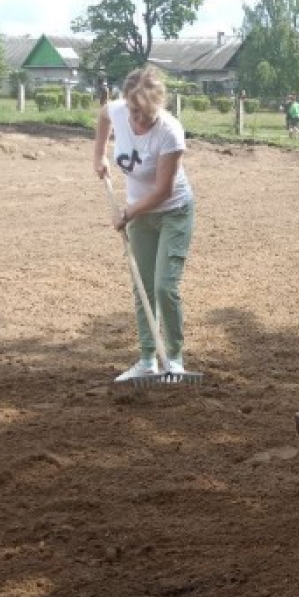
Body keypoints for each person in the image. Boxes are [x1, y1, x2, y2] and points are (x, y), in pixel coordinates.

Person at [93, 65, 196, 379]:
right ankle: (148, 360)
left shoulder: (170, 132)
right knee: (143, 287)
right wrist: (99, 156)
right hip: (140, 215)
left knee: (164, 286)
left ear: (158, 106)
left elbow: (163, 191)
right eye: (133, 111)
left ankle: (174, 358)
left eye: (145, 114)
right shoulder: (120, 110)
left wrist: (126, 213)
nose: (137, 120)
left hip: (173, 212)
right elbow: (103, 116)